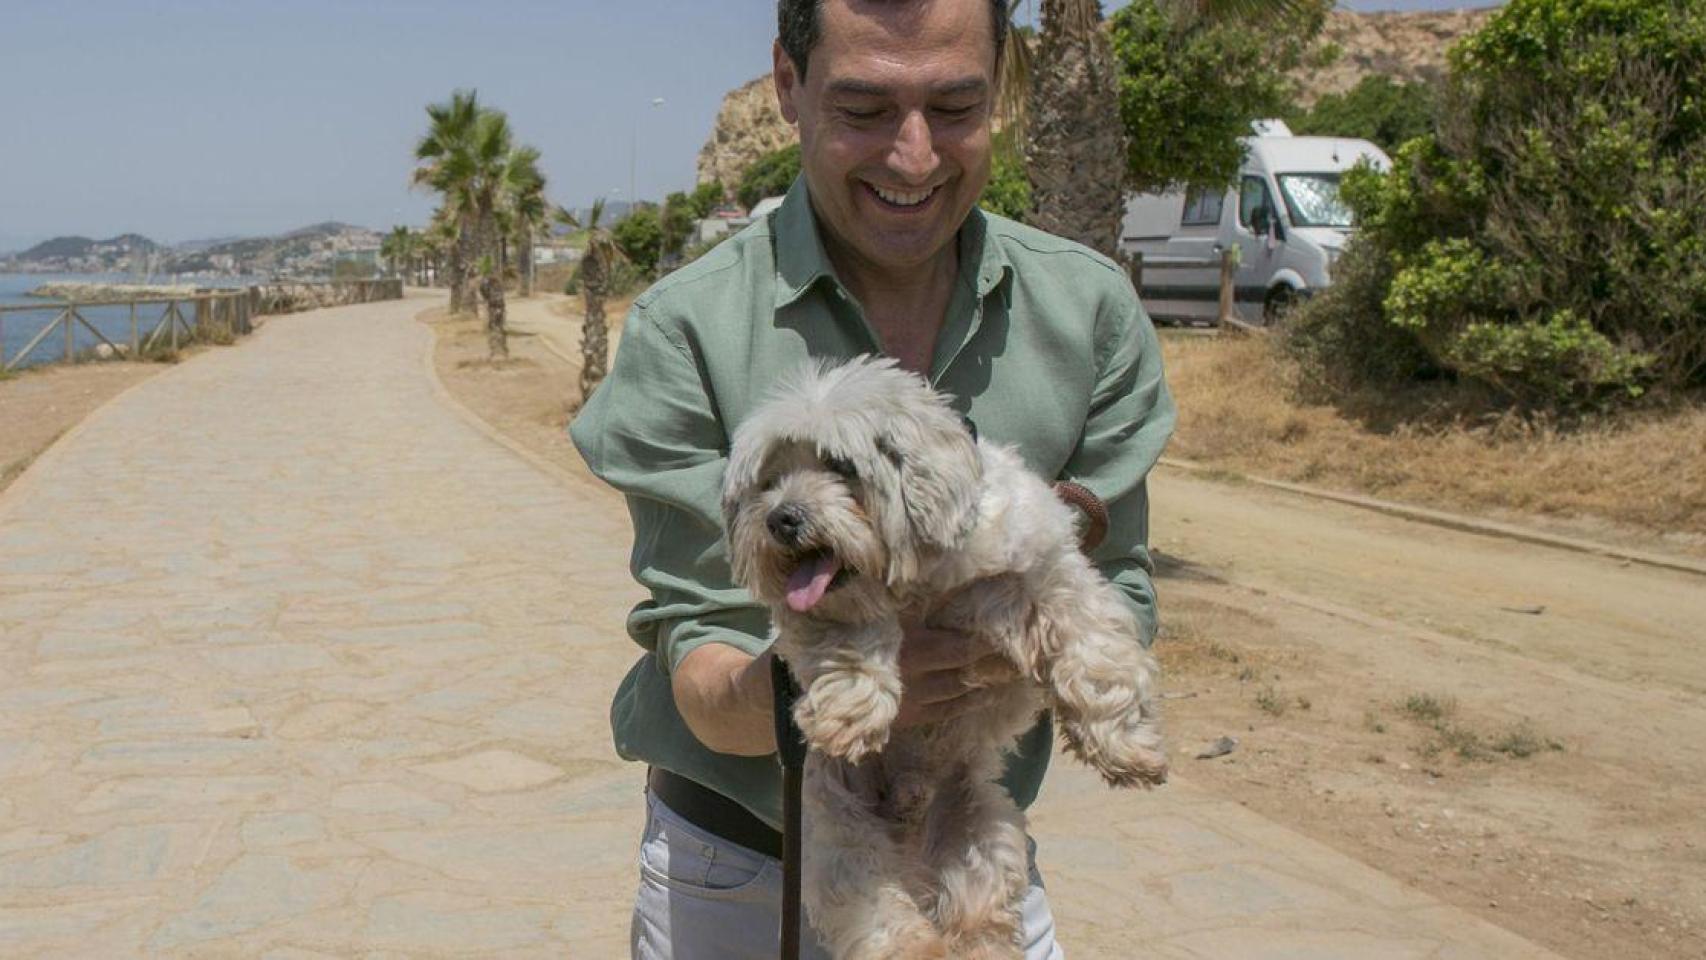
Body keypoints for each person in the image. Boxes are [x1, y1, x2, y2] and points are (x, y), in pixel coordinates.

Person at [569, 1, 1175, 956]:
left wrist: (1020, 645)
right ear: (787, 84)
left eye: (955, 105)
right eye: (863, 108)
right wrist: (816, 681)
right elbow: (698, 658)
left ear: (1003, 91)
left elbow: (1122, 586)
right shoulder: (686, 328)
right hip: (739, 877)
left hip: (977, 864)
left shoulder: (1088, 311)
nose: (914, 155)